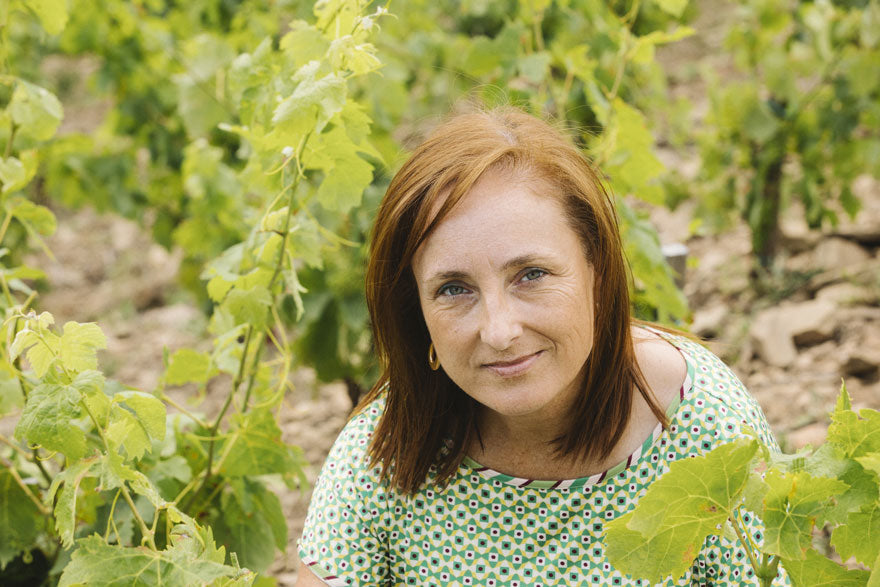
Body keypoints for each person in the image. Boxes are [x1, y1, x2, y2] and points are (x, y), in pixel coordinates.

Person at [295, 107, 787, 586]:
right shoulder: (387, 448)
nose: (499, 330)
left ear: (596, 269)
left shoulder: (703, 427)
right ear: (416, 311)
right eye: (454, 289)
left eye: (531, 275)